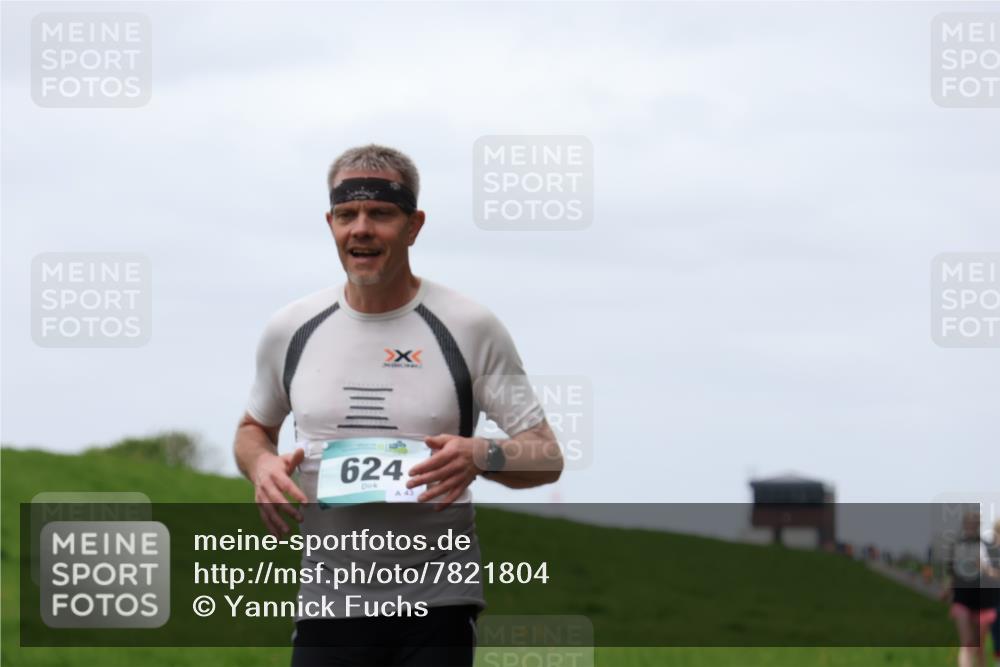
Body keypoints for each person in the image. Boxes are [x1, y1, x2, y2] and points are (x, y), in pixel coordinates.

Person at [233, 144, 563, 667]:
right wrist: (262, 464)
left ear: (414, 226)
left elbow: (546, 456)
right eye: (347, 214)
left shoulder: (468, 326)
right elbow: (253, 429)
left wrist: (482, 454)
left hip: (438, 606)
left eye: (381, 214)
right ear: (331, 223)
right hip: (329, 605)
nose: (361, 228)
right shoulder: (290, 328)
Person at [942, 511, 999, 667]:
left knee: (979, 648)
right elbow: (952, 573)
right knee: (968, 644)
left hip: (983, 602)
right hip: (962, 600)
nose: (971, 526)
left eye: (975, 523)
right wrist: (947, 590)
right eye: (968, 522)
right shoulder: (956, 546)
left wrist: (984, 568)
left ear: (979, 525)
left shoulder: (988, 547)